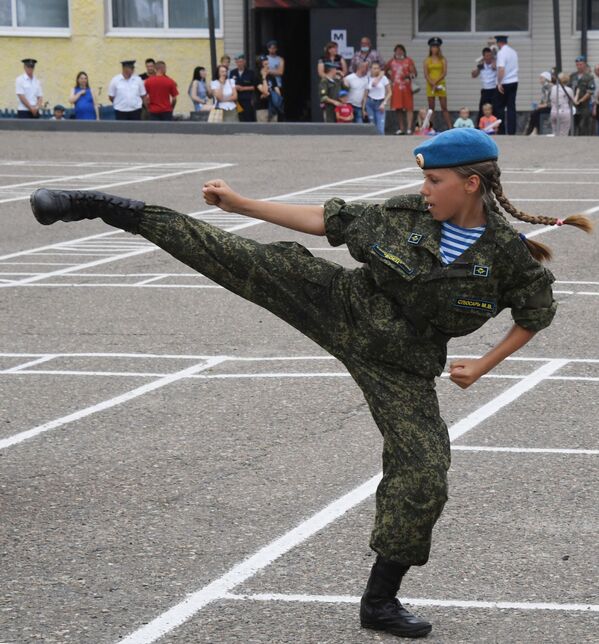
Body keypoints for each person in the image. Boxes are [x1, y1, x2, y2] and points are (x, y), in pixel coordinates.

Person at [30, 128, 592, 641]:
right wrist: (241, 203)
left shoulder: (507, 255)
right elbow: (326, 220)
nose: (423, 189)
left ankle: (380, 601)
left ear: (471, 183)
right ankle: (107, 208)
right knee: (234, 257)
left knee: (424, 473)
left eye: (434, 180)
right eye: (424, 178)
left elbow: (534, 314)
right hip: (339, 305)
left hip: (400, 365)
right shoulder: (402, 215)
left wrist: (482, 365)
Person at [385, 44, 417, 135]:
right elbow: (385, 70)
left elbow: (414, 73)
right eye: (397, 50)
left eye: (401, 50)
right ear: (394, 52)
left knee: (409, 107)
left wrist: (407, 76)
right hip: (396, 88)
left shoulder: (408, 61)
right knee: (398, 108)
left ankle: (409, 128)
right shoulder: (391, 61)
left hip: (406, 87)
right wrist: (390, 77)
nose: (399, 52)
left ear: (404, 51)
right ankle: (401, 128)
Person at [423, 37, 452, 131]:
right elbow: (426, 74)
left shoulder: (442, 59)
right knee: (431, 108)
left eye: (436, 46)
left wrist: (436, 82)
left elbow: (444, 72)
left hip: (440, 84)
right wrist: (431, 82)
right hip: (430, 84)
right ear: (430, 48)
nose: (434, 48)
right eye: (433, 47)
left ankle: (450, 127)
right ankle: (431, 127)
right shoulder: (427, 60)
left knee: (444, 107)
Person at [494, 35, 519, 135]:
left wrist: (499, 82)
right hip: (514, 81)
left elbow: (501, 69)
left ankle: (501, 130)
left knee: (499, 107)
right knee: (511, 107)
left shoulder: (501, 53)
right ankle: (512, 131)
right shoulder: (513, 52)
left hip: (505, 82)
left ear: (499, 43)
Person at [471, 47, 497, 130]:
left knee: (494, 109)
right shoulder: (481, 65)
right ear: (483, 56)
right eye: (487, 55)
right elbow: (473, 75)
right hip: (485, 90)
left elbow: (495, 67)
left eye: (490, 55)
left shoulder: (495, 64)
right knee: (482, 109)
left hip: (494, 89)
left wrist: (494, 60)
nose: (488, 57)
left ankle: (495, 128)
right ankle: (479, 128)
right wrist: (478, 67)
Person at [570, 55, 595, 136]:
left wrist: (581, 101)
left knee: (583, 126)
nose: (579, 66)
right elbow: (569, 88)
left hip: (584, 106)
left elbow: (590, 91)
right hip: (573, 105)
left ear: (584, 64)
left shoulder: (589, 77)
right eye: (577, 64)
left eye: (581, 64)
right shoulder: (573, 76)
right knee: (573, 126)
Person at [364, 61, 391, 135]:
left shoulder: (383, 78)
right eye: (374, 68)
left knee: (380, 126)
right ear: (371, 69)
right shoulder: (368, 78)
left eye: (377, 68)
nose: (375, 70)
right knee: (372, 125)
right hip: (370, 102)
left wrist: (384, 103)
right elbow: (365, 95)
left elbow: (389, 92)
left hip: (380, 102)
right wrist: (363, 109)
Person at [229, 53, 257, 122]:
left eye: (241, 61)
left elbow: (255, 86)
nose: (239, 63)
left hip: (247, 99)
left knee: (248, 117)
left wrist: (243, 88)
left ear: (244, 62)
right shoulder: (233, 72)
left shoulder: (250, 72)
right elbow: (229, 85)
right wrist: (235, 87)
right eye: (237, 62)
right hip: (236, 100)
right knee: (238, 117)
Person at [255, 55, 280, 123]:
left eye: (268, 63)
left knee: (274, 130)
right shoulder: (257, 77)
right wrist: (264, 77)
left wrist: (270, 94)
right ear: (260, 65)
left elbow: (278, 93)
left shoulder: (272, 77)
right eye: (265, 64)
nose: (268, 66)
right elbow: (265, 91)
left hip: (273, 108)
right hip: (262, 108)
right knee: (263, 131)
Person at [550, 72, 574, 137]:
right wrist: (577, 93)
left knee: (555, 133)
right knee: (563, 134)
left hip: (553, 111)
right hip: (564, 112)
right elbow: (574, 101)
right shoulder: (569, 90)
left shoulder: (553, 88)